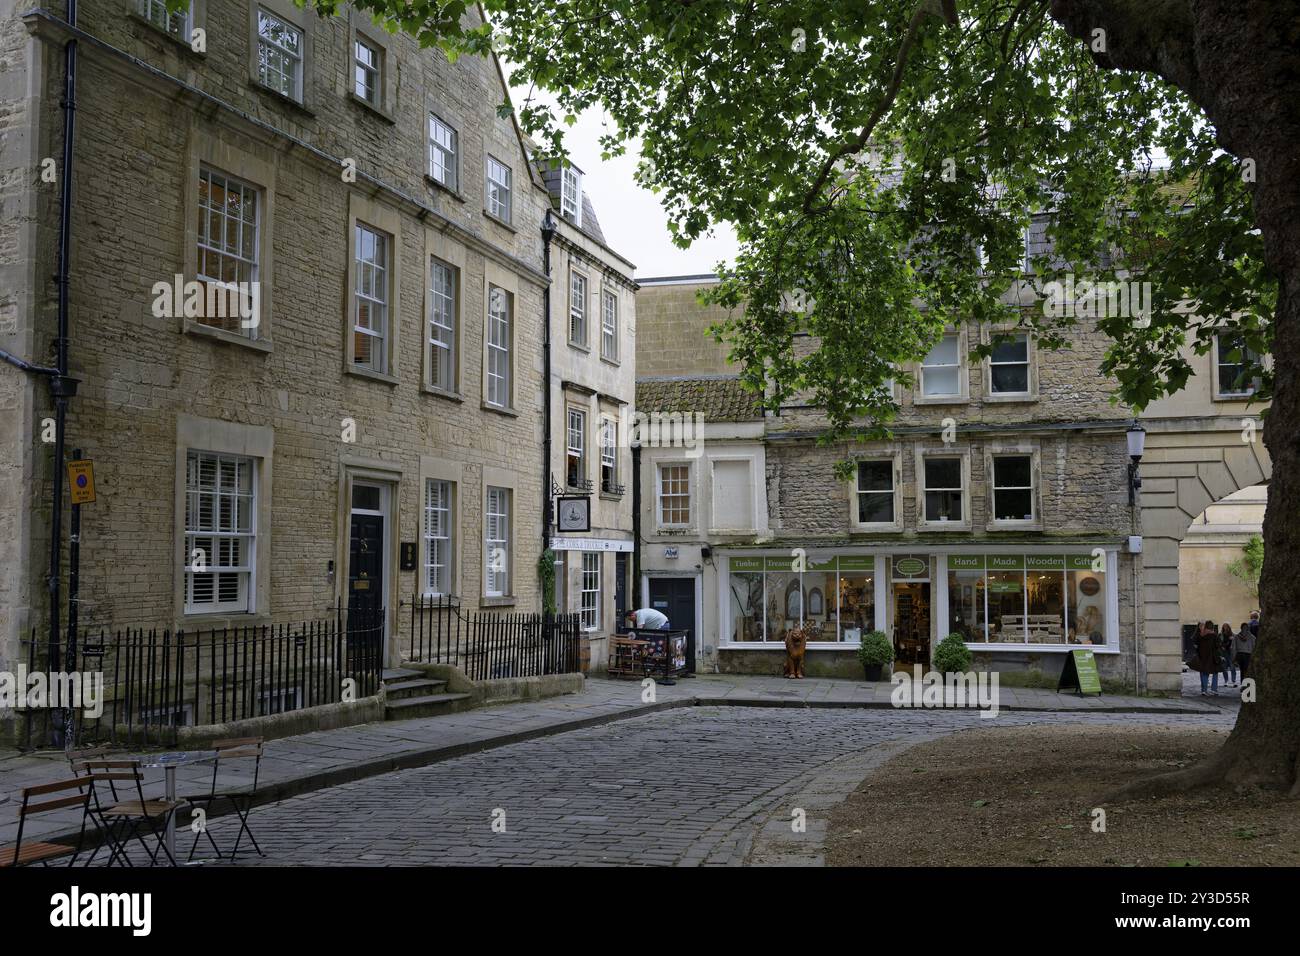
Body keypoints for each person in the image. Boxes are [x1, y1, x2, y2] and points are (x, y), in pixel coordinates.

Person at [1190, 620, 1220, 696]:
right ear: (1212, 627)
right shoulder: (1214, 636)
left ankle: (1204, 690)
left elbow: (1197, 646)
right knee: (1215, 673)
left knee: (1204, 673)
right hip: (1212, 657)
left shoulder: (1201, 635)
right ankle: (1214, 689)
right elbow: (1217, 646)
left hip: (1202, 657)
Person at [1218, 622, 1237, 687]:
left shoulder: (1233, 635)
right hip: (1223, 653)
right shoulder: (1220, 635)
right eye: (1224, 627)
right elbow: (1218, 644)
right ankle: (1226, 681)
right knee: (1224, 668)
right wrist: (1221, 648)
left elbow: (1235, 644)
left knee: (1232, 667)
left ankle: (1233, 681)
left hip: (1231, 653)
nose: (1225, 628)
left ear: (1229, 628)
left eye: (1227, 627)